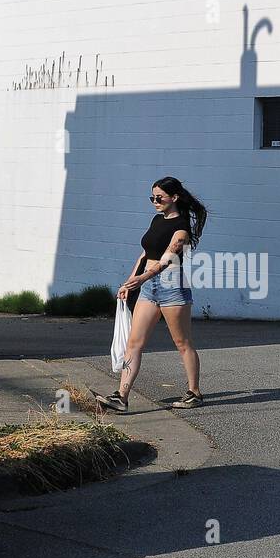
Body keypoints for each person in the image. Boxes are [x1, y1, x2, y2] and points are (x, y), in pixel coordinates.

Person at [94, 176, 207, 412]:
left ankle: (194, 392)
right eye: (152, 197)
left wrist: (142, 278)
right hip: (148, 287)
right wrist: (129, 282)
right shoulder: (157, 220)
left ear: (174, 198)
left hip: (172, 285)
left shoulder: (182, 229)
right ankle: (121, 396)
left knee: (182, 342)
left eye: (159, 198)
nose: (154, 202)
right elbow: (144, 255)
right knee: (134, 343)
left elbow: (167, 259)